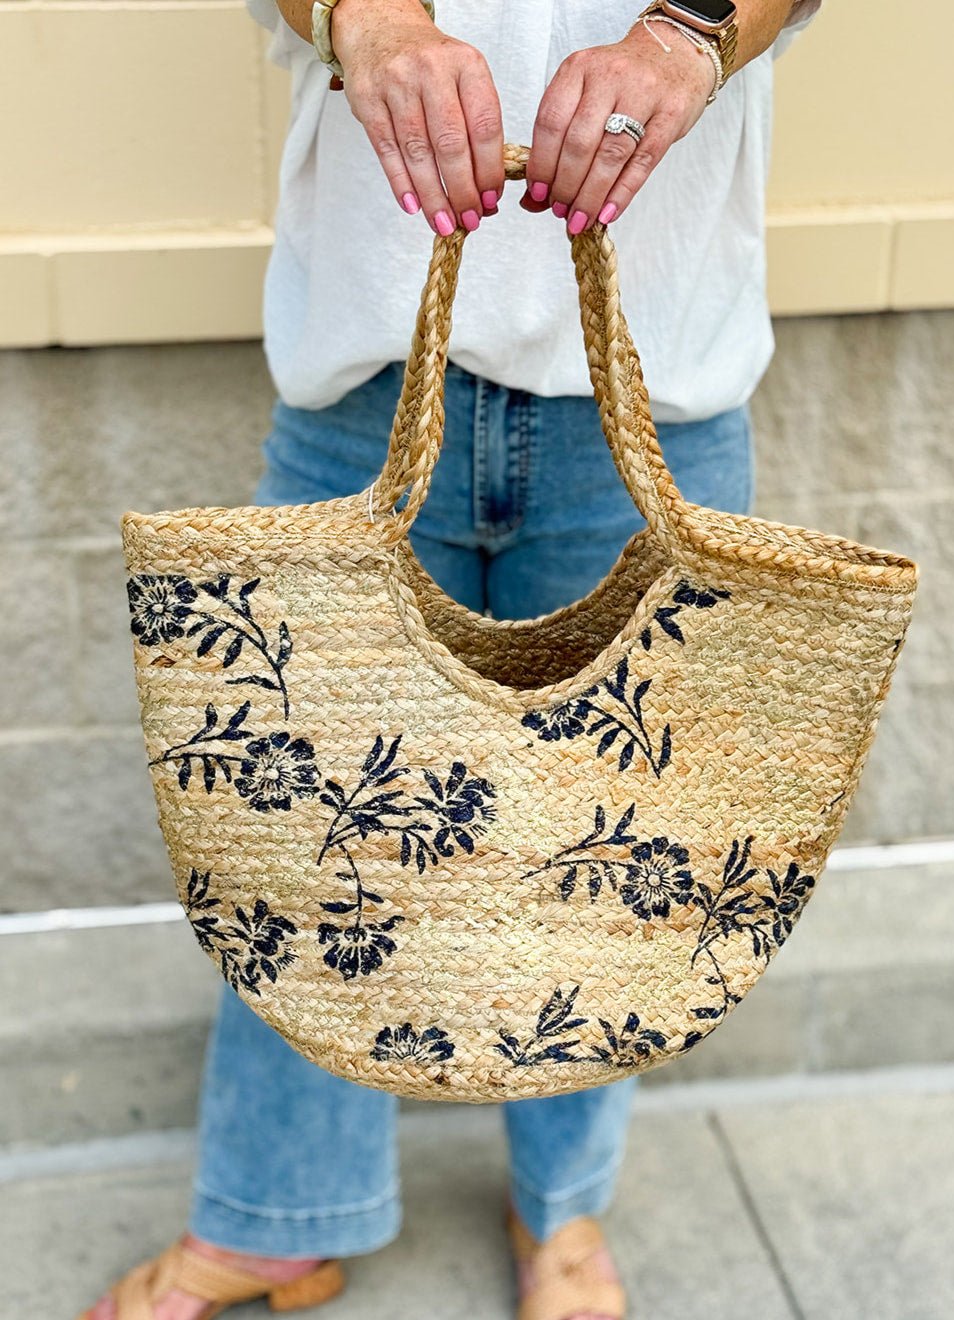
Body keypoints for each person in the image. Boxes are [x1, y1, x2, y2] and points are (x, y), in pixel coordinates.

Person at [83, 1, 822, 1317]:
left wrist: (689, 31)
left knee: (614, 854)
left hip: (655, 364)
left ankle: (565, 1211)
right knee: (298, 836)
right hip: (364, 354)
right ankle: (272, 1214)